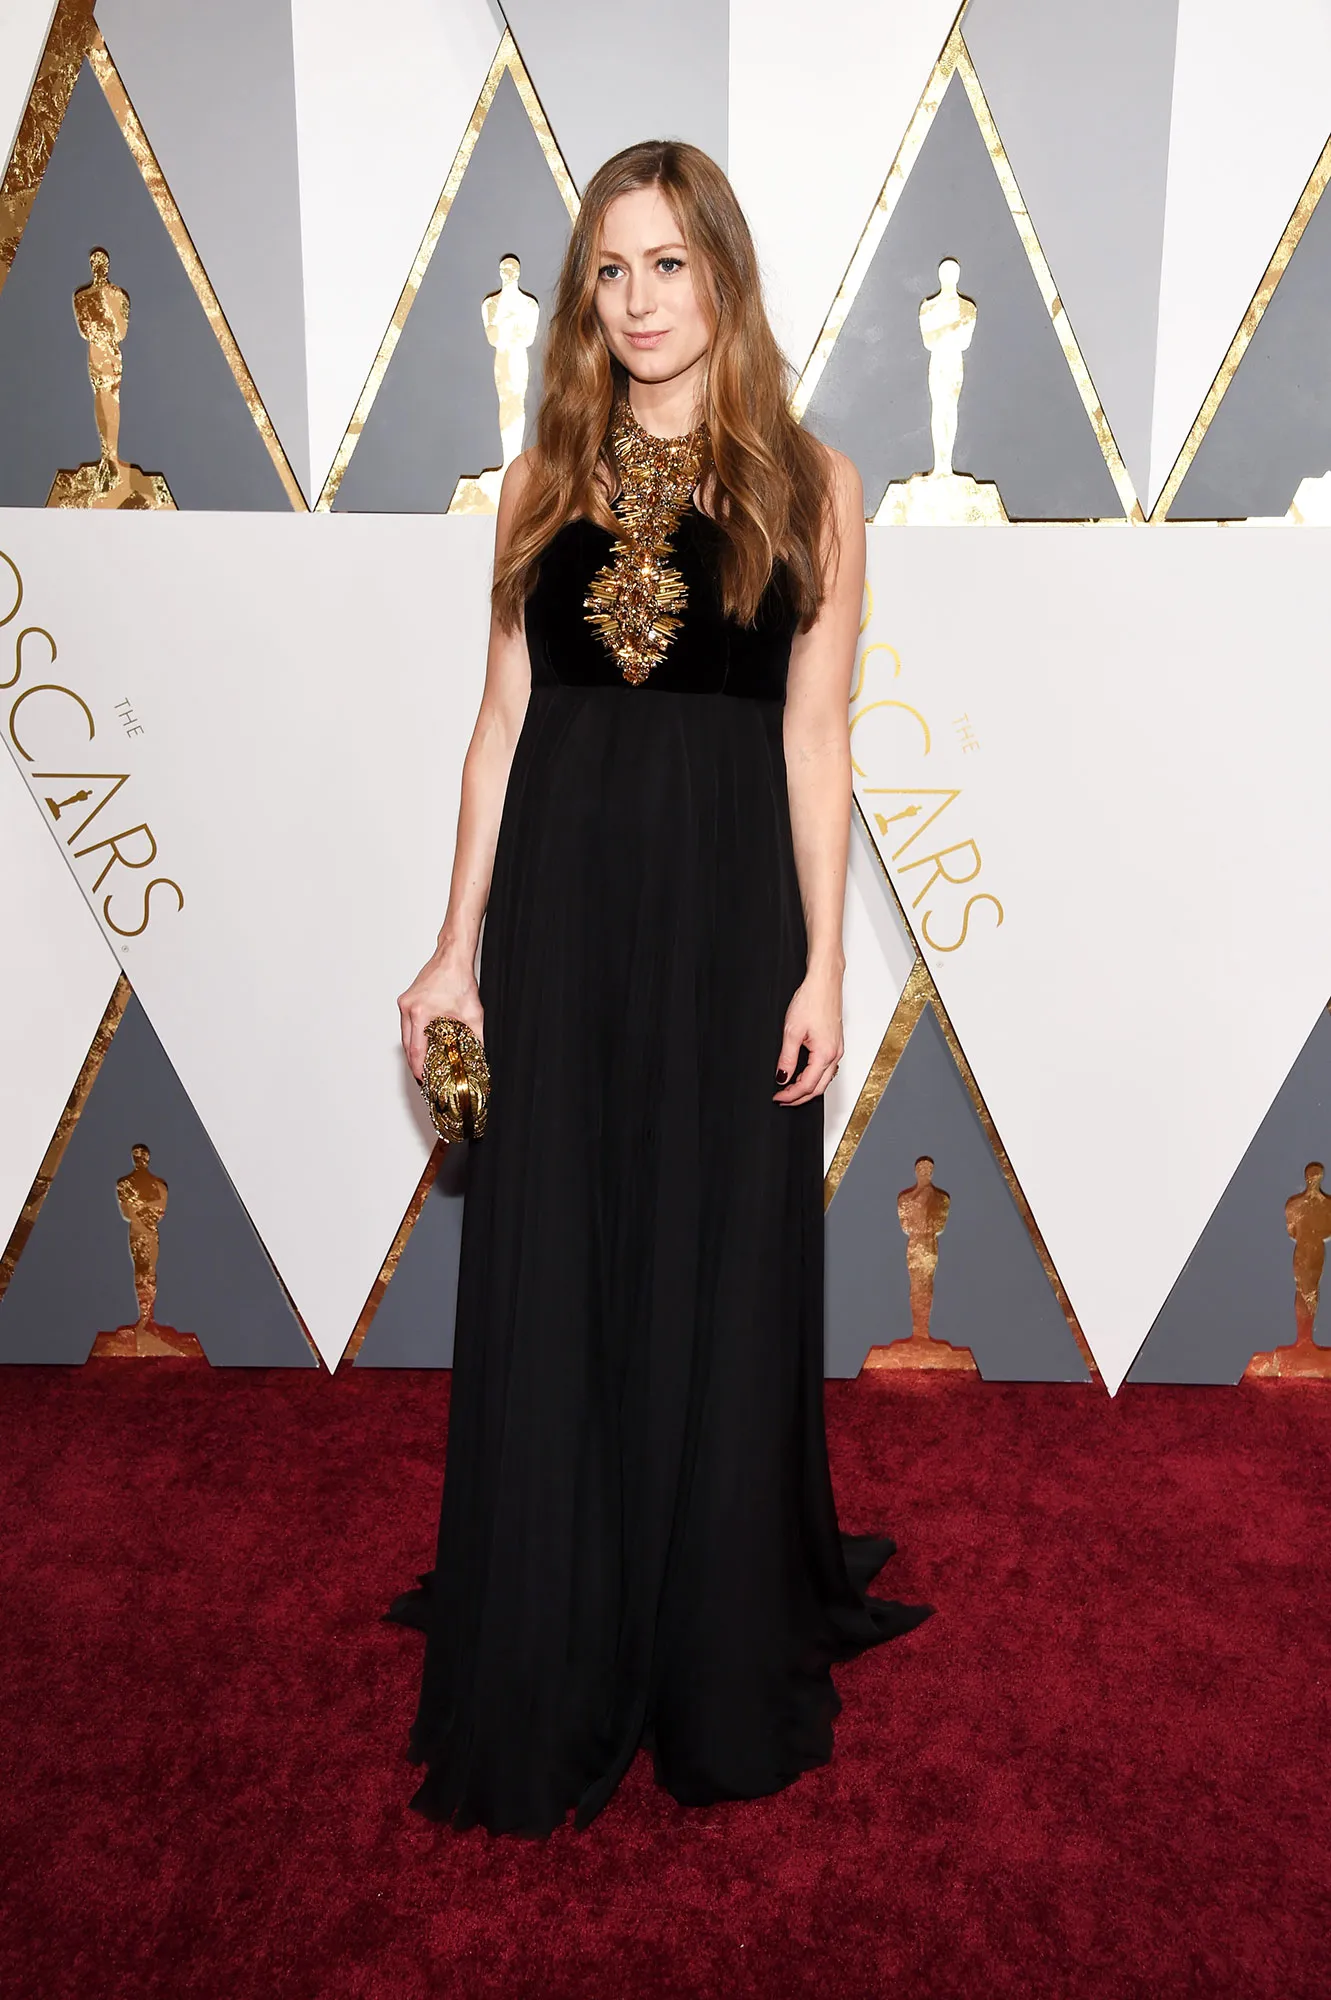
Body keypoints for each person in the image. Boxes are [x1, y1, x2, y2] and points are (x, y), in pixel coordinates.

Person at [388, 138, 935, 1838]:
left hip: (723, 921)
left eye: (668, 266)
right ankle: (554, 1607)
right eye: (610, 271)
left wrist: (822, 962)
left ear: (725, 277)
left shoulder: (813, 486)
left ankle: (704, 1614)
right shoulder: (535, 481)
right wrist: (455, 947)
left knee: (708, 1246)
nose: (636, 302)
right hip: (558, 917)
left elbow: (816, 739)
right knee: (562, 1243)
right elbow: (499, 726)